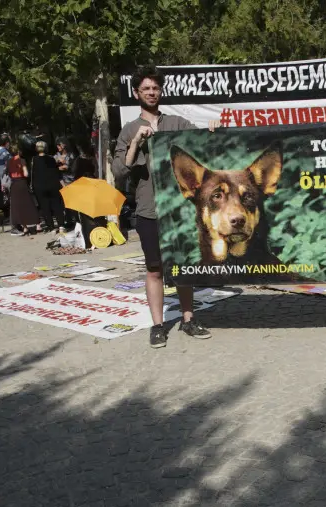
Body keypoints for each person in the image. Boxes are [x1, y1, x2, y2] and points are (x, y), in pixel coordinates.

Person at [112, 66, 211, 349]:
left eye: (155, 88)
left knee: (183, 268)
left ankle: (188, 319)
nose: (151, 93)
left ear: (161, 91)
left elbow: (203, 144)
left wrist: (212, 131)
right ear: (136, 93)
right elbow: (119, 172)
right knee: (154, 269)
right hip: (149, 211)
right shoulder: (129, 130)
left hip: (180, 210)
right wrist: (135, 143)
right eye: (146, 89)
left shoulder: (176, 123)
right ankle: (157, 325)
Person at [30, 140, 66, 233]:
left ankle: (51, 227)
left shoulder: (34, 160)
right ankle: (61, 225)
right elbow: (55, 172)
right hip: (53, 184)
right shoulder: (51, 159)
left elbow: (33, 174)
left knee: (45, 207)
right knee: (57, 205)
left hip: (40, 186)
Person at [6, 150, 40, 236]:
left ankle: (25, 227)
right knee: (29, 204)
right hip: (22, 184)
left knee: (19, 207)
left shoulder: (9, 161)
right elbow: (26, 174)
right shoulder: (22, 160)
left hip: (14, 185)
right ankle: (38, 225)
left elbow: (8, 174)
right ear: (19, 152)